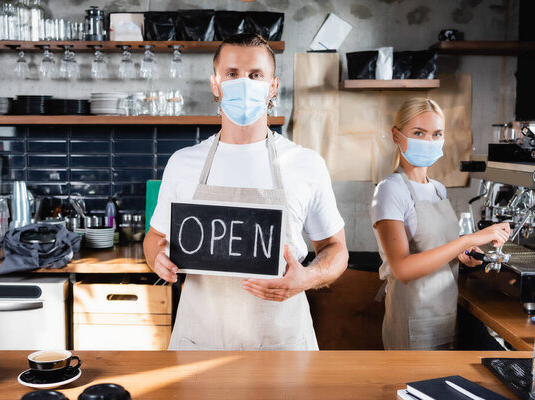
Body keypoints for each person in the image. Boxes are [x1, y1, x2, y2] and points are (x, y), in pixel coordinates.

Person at [143, 33, 348, 351]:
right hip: (199, 342)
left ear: (272, 87)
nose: (244, 84)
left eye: (255, 75)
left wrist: (307, 278)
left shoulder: (306, 164)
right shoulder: (183, 164)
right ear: (215, 84)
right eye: (232, 74)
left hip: (282, 342)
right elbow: (154, 238)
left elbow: (336, 249)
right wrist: (156, 258)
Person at [371, 97, 510, 350]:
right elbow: (402, 269)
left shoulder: (437, 190)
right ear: (396, 135)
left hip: (446, 313)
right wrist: (467, 240)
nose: (429, 141)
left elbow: (438, 249)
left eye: (436, 134)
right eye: (418, 133)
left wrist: (464, 254)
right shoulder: (390, 190)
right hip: (413, 318)